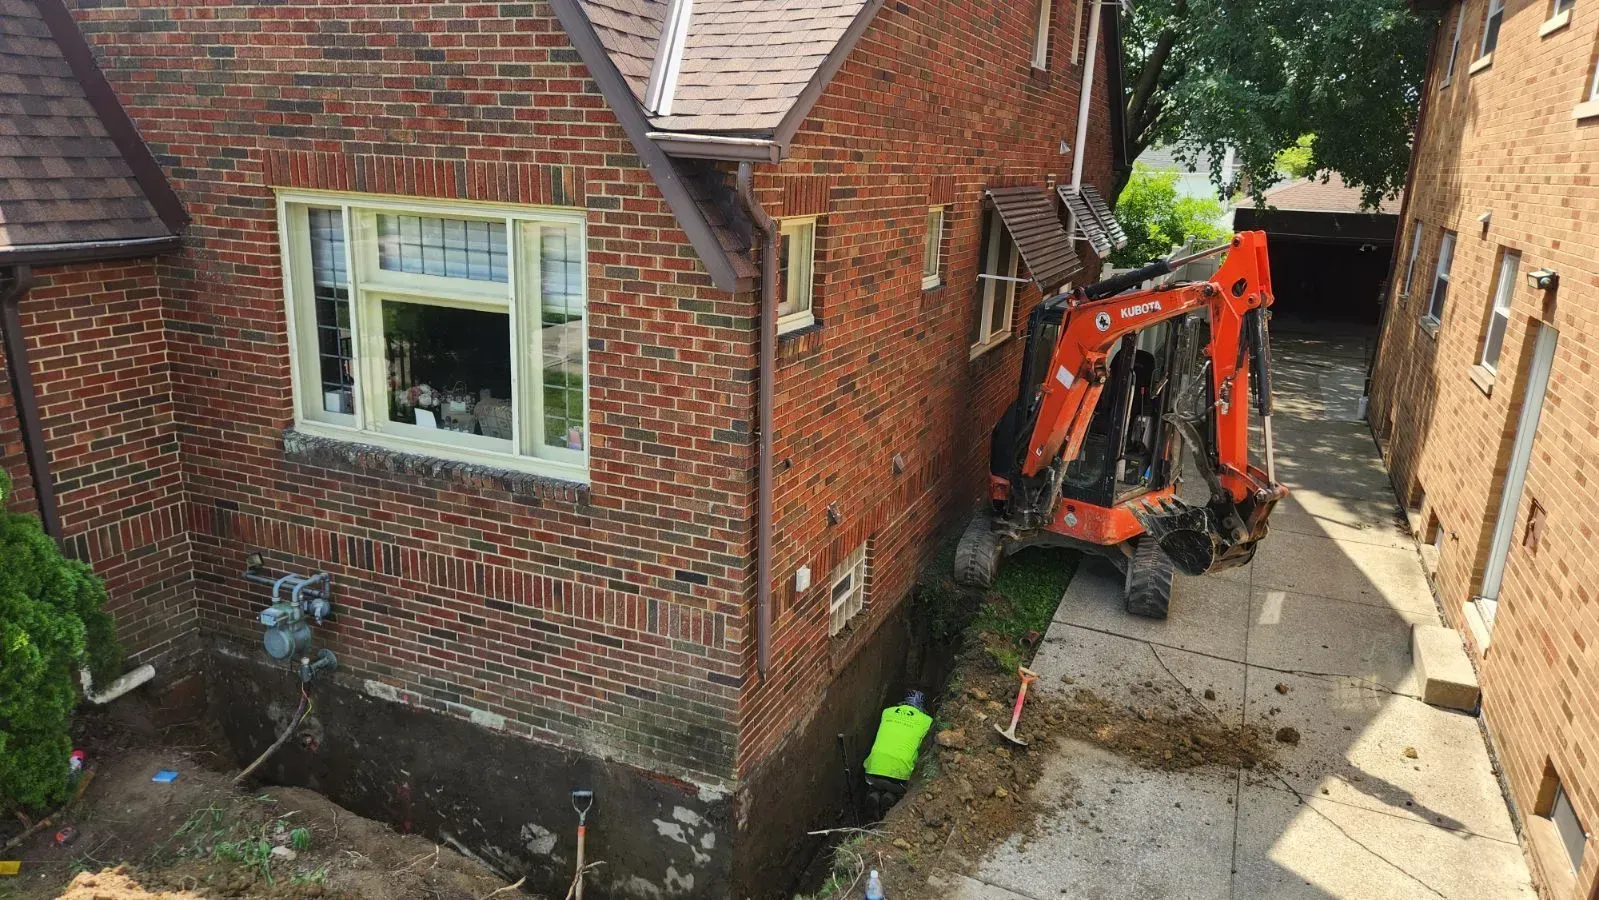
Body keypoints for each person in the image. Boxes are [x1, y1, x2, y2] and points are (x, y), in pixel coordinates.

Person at [861, 690, 932, 821]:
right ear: (921, 707)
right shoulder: (927, 721)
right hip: (899, 779)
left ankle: (874, 794)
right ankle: (891, 798)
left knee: (876, 783)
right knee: (897, 789)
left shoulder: (887, 712)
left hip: (872, 771)